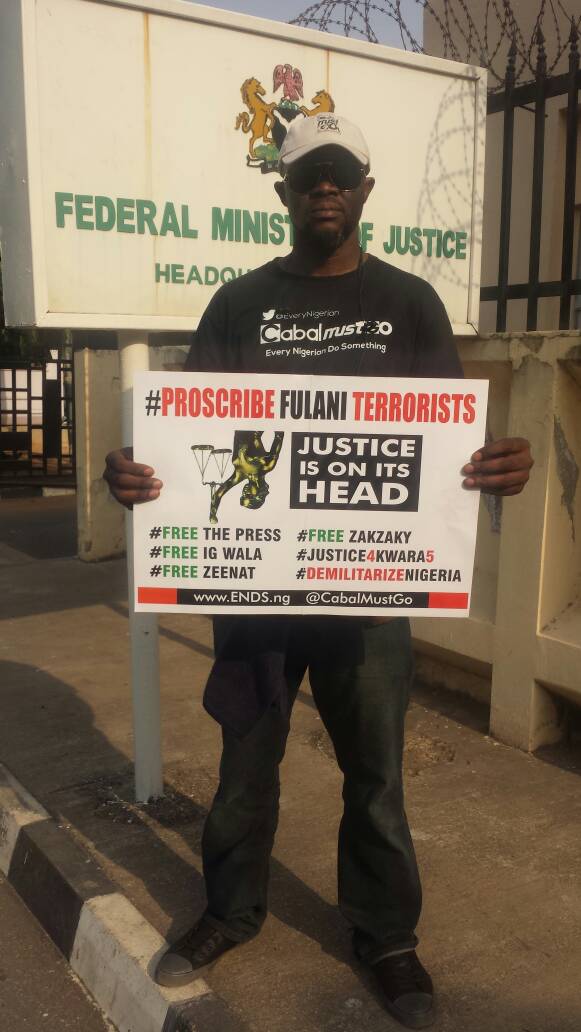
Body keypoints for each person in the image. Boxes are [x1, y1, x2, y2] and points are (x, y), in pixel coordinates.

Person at [104, 114, 533, 1029]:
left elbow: (447, 448)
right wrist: (135, 476)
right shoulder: (238, 304)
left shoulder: (409, 304)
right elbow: (186, 440)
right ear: (284, 194)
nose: (325, 187)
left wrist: (496, 466)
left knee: (374, 774)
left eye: (341, 174)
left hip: (368, 593)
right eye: (309, 176)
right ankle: (230, 911)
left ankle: (386, 938)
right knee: (244, 764)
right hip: (254, 594)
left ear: (364, 191)